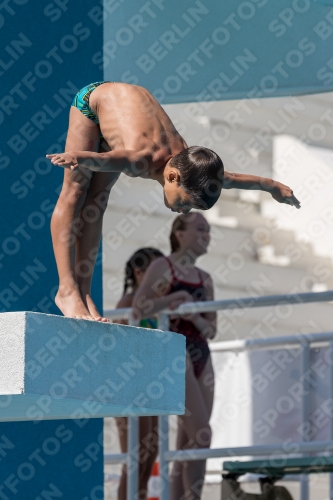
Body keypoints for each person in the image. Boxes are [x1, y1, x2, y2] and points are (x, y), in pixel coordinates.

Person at [46, 82, 300, 320]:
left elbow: (234, 179)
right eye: (185, 202)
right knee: (75, 192)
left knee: (96, 205)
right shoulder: (141, 160)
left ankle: (84, 292)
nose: (182, 210)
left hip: (123, 114)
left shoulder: (194, 168)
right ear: (172, 176)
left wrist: (273, 187)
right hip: (92, 103)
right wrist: (79, 157)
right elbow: (107, 160)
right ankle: (67, 290)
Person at [132, 212, 216, 500]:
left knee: (191, 441)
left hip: (201, 353)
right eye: (200, 229)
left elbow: (212, 329)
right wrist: (172, 301)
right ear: (179, 234)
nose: (206, 235)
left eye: (208, 231)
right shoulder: (163, 266)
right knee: (201, 434)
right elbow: (138, 308)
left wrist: (195, 317)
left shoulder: (205, 279)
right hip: (174, 350)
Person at [114, 247, 164, 500]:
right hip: (128, 387)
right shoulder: (127, 303)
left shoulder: (155, 307)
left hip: (150, 384)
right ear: (139, 273)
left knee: (150, 453)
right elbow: (114, 348)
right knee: (136, 457)